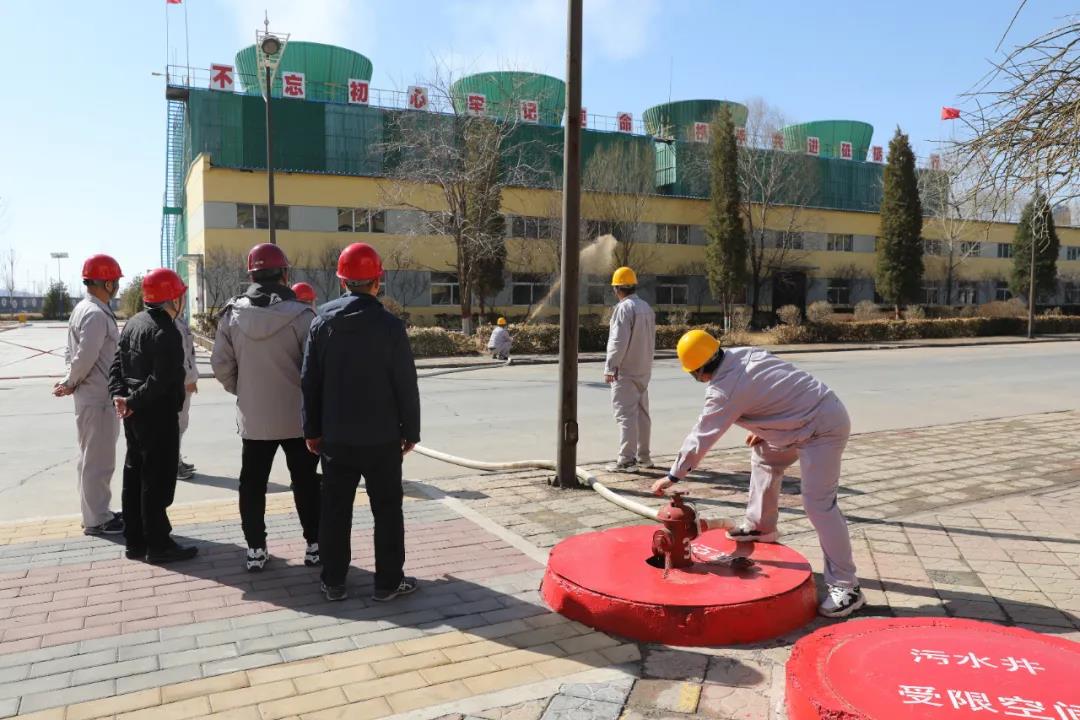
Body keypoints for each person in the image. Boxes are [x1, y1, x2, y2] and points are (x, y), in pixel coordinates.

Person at [651, 330, 864, 618]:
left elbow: (703, 435)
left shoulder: (724, 390)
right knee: (764, 456)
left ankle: (847, 587)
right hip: (801, 421)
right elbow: (777, 390)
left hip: (821, 429)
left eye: (694, 374)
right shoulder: (743, 353)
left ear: (700, 370)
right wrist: (765, 429)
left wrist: (673, 476)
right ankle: (761, 526)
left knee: (819, 504)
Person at [301, 242, 420, 603]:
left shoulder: (321, 322)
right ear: (377, 282)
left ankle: (334, 581)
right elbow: (405, 384)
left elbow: (310, 381)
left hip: (336, 438)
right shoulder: (390, 326)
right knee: (387, 510)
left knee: (335, 511)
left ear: (342, 282)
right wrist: (410, 432)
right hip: (383, 439)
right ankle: (387, 583)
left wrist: (312, 431)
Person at [211, 244, 320, 572]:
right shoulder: (302, 315)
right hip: (298, 419)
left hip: (254, 418)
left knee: (253, 483)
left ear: (252, 275)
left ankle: (256, 549)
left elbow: (220, 365)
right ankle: (315, 545)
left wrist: (243, 389)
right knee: (305, 482)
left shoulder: (231, 314)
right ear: (285, 274)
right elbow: (314, 370)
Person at [109, 269, 197, 564]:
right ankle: (158, 545)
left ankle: (135, 540)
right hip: (157, 416)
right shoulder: (166, 331)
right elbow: (161, 381)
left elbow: (116, 366)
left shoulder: (133, 323)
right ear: (173, 298)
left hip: (134, 416)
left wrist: (120, 398)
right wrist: (130, 400)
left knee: (134, 475)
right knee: (156, 482)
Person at [53, 254, 125, 536]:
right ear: (106, 283)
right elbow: (85, 355)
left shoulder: (83, 309)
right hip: (98, 398)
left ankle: (95, 512)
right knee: (99, 461)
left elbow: (71, 353)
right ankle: (98, 519)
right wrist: (71, 380)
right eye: (116, 281)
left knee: (89, 459)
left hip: (90, 395)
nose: (118, 285)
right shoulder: (95, 314)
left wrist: (70, 380)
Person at [603, 266, 656, 473]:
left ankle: (626, 459)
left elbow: (618, 341)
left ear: (617, 288)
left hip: (625, 370)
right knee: (642, 414)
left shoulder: (624, 309)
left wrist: (610, 366)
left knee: (625, 415)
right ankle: (644, 456)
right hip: (643, 369)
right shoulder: (646, 307)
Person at [175, 314, 198, 480]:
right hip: (181, 384)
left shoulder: (179, 320)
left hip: (184, 382)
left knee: (181, 424)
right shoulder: (173, 324)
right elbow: (182, 356)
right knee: (177, 425)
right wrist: (189, 379)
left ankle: (176, 459)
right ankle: (173, 464)